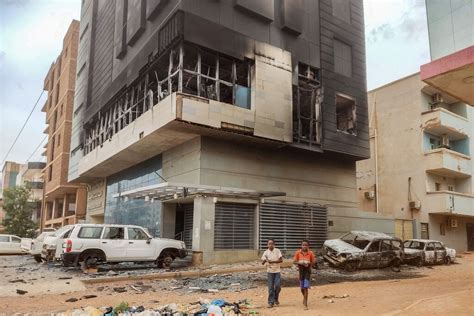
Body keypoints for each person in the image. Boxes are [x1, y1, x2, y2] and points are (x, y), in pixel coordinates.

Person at [293, 239, 316, 310]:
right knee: (302, 287)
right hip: (301, 271)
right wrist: (300, 263)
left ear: (308, 246)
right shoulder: (298, 252)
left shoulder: (310, 253)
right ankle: (304, 297)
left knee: (306, 287)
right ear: (301, 245)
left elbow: (314, 262)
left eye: (306, 245)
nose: (304, 246)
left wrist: (309, 263)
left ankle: (305, 303)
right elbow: (294, 261)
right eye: (303, 245)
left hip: (307, 271)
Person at [261, 239, 283, 308]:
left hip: (277, 271)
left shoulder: (277, 251)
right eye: (269, 244)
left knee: (277, 286)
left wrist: (272, 262)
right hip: (270, 272)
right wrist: (264, 260)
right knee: (270, 288)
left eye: (272, 243)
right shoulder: (266, 252)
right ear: (267, 245)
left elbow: (281, 260)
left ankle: (276, 298)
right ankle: (271, 302)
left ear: (274, 244)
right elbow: (262, 262)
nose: (270, 245)